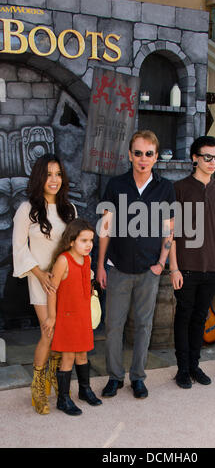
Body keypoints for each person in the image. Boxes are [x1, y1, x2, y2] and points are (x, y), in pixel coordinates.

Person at [97, 130, 175, 399]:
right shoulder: (116, 185)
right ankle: (115, 377)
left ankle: (138, 377)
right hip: (117, 267)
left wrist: (162, 263)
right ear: (130, 155)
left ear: (156, 157)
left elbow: (169, 230)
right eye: (138, 153)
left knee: (144, 326)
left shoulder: (165, 188)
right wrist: (100, 266)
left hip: (148, 270)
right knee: (113, 326)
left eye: (149, 154)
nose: (143, 159)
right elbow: (104, 228)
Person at [12, 154, 76, 415]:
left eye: (58, 174)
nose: (54, 180)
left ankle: (56, 381)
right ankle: (38, 387)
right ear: (40, 177)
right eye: (49, 174)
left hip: (67, 281)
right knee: (49, 333)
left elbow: (77, 247)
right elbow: (19, 248)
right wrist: (41, 275)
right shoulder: (27, 209)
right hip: (41, 281)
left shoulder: (69, 209)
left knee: (65, 335)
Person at [169, 136, 215, 388]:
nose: (212, 162)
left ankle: (195, 365)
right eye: (207, 157)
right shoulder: (179, 188)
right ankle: (182, 369)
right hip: (186, 266)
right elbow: (170, 231)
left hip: (211, 267)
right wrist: (173, 267)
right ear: (195, 158)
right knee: (184, 317)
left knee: (200, 318)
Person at [43, 218, 102, 416]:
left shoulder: (87, 260)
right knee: (68, 356)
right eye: (84, 240)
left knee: (83, 353)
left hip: (82, 316)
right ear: (71, 241)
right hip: (67, 317)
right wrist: (52, 317)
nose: (89, 245)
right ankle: (63, 399)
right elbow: (52, 291)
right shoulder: (63, 261)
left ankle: (85, 390)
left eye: (91, 241)